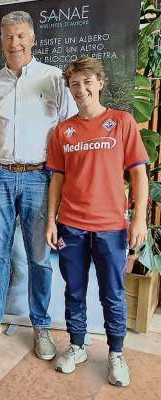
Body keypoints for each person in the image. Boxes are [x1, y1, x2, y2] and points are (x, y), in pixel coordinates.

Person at [0, 11, 77, 358]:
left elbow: (69, 131)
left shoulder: (55, 79)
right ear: (1, 41)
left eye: (20, 36)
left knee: (39, 257)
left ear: (33, 39)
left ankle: (42, 326)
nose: (14, 43)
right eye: (7, 37)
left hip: (39, 176)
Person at [46, 56, 149, 387]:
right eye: (75, 84)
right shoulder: (63, 131)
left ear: (100, 83)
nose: (81, 89)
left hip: (112, 226)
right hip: (71, 225)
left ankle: (116, 353)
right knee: (74, 290)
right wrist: (51, 219)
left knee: (113, 293)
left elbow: (138, 173)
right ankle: (76, 346)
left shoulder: (122, 122)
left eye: (87, 82)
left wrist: (139, 219)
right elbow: (57, 180)